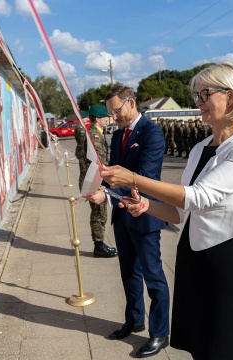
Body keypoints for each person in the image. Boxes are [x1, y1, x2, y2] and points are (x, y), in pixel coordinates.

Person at [99, 63, 233, 360]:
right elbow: (181, 213)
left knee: (228, 345)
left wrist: (133, 178)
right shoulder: (201, 147)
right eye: (197, 96)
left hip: (226, 258)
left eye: (205, 94)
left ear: (231, 97)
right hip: (193, 254)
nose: (198, 102)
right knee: (201, 342)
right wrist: (148, 205)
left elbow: (199, 197)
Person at [85, 85, 170, 358]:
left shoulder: (152, 133)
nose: (114, 116)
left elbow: (146, 175)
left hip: (144, 215)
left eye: (116, 111)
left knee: (153, 277)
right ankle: (134, 319)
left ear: (131, 104)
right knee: (129, 273)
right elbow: (113, 171)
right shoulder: (118, 134)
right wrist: (99, 184)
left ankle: (159, 333)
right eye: (110, 113)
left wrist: (108, 192)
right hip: (122, 215)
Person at [76, 105, 118, 257]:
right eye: (105, 117)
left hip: (93, 178)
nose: (108, 119)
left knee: (99, 213)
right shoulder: (95, 136)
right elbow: (99, 163)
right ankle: (99, 246)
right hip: (95, 180)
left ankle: (99, 244)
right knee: (99, 214)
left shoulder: (94, 133)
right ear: (98, 119)